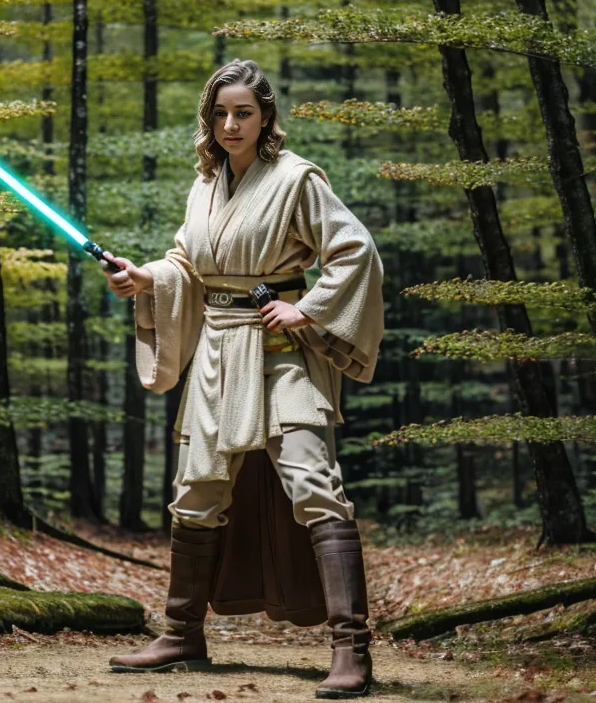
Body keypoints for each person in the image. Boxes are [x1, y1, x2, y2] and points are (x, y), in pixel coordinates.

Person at [101, 59, 384, 699]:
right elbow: (185, 263)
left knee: (313, 480)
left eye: (244, 113)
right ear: (209, 117)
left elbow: (354, 248)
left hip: (281, 348)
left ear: (265, 117)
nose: (231, 125)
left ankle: (351, 649)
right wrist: (145, 277)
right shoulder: (204, 184)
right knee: (196, 488)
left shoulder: (296, 179)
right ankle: (181, 632)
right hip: (216, 354)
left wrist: (305, 307)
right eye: (220, 113)